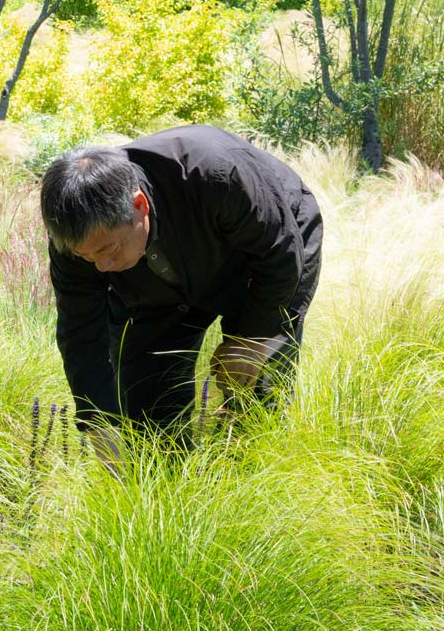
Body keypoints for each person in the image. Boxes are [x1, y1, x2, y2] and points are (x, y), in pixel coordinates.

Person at [40, 124, 323, 436]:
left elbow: (280, 253)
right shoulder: (74, 238)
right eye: (88, 256)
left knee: (254, 398)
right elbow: (81, 332)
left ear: (139, 206)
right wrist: (98, 425)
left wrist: (253, 337)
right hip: (157, 284)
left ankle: (245, 466)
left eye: (109, 249)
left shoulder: (217, 175)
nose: (102, 267)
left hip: (261, 261)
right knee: (149, 413)